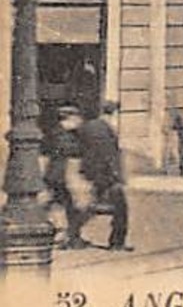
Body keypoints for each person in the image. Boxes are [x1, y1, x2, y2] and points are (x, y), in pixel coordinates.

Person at [73, 102, 130, 251]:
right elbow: (107, 155)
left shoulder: (89, 127)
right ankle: (117, 243)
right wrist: (116, 175)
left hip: (96, 174)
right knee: (120, 209)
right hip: (107, 175)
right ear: (112, 113)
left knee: (94, 207)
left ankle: (72, 234)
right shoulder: (102, 128)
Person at [43, 105, 85, 248]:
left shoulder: (63, 133)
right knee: (64, 204)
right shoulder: (61, 135)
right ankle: (63, 235)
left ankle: (65, 234)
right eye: (76, 118)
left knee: (60, 203)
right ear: (68, 118)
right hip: (59, 174)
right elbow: (71, 150)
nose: (79, 121)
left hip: (59, 174)